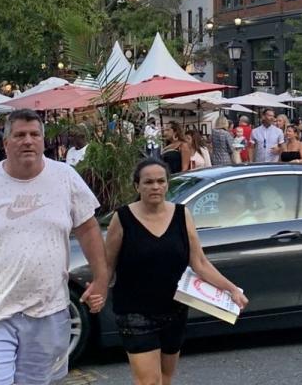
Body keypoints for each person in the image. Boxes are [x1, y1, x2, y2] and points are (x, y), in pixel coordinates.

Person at [0, 109, 109, 385]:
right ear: (6, 144)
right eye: (19, 135)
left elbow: (88, 228)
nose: (28, 141)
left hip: (48, 312)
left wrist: (101, 278)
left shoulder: (65, 178)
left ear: (43, 141)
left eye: (34, 134)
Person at [105, 159, 248, 385]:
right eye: (148, 182)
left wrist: (231, 289)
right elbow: (107, 264)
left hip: (174, 309)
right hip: (135, 312)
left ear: (167, 185)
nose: (155, 186)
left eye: (161, 181)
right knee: (149, 382)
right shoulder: (122, 218)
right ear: (137, 186)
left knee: (165, 378)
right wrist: (97, 290)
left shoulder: (182, 215)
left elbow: (199, 262)